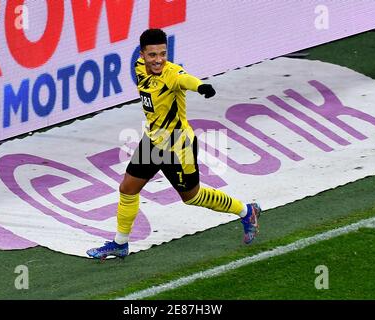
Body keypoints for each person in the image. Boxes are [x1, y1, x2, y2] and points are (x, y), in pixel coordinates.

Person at [87, 29, 261, 260]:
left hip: (179, 148)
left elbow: (184, 78)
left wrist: (201, 86)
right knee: (127, 188)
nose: (158, 60)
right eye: (153, 55)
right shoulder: (139, 67)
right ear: (142, 55)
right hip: (153, 141)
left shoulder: (171, 73)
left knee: (192, 197)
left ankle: (246, 211)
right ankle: (120, 244)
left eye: (163, 54)